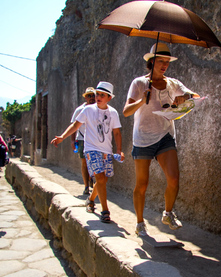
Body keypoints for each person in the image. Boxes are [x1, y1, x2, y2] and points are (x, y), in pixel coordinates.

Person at [123, 42, 199, 237]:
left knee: (174, 178)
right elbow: (126, 112)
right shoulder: (139, 83)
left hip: (165, 136)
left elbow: (194, 96)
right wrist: (142, 100)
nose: (165, 64)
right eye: (161, 61)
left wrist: (186, 97)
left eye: (167, 61)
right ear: (152, 61)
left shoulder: (173, 83)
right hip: (143, 139)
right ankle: (140, 223)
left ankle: (168, 213)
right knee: (142, 184)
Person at [51, 81, 124, 223]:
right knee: (101, 178)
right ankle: (105, 210)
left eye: (102, 95)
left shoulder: (113, 113)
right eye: (97, 94)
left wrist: (119, 150)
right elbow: (75, 125)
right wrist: (62, 137)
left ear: (109, 98)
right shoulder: (87, 110)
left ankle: (90, 200)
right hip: (91, 149)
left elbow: (117, 133)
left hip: (106, 151)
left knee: (103, 180)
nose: (98, 97)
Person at [71, 87, 96, 195]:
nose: (91, 98)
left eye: (93, 95)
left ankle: (92, 181)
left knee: (95, 162)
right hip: (82, 139)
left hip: (95, 140)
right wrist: (72, 141)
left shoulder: (99, 109)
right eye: (89, 95)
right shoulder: (79, 110)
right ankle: (86, 186)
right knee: (84, 162)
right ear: (85, 97)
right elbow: (74, 126)